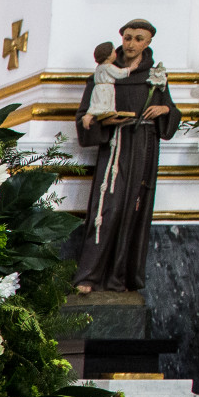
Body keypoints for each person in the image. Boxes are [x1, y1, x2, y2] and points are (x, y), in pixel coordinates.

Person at [74, 18, 179, 294]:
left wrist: (164, 110)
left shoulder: (155, 75)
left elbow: (171, 111)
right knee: (106, 210)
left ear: (148, 42)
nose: (131, 43)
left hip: (143, 148)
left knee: (133, 210)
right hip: (116, 145)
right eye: (127, 37)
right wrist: (103, 121)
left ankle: (119, 278)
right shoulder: (105, 71)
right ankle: (89, 275)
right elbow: (84, 113)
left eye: (138, 39)